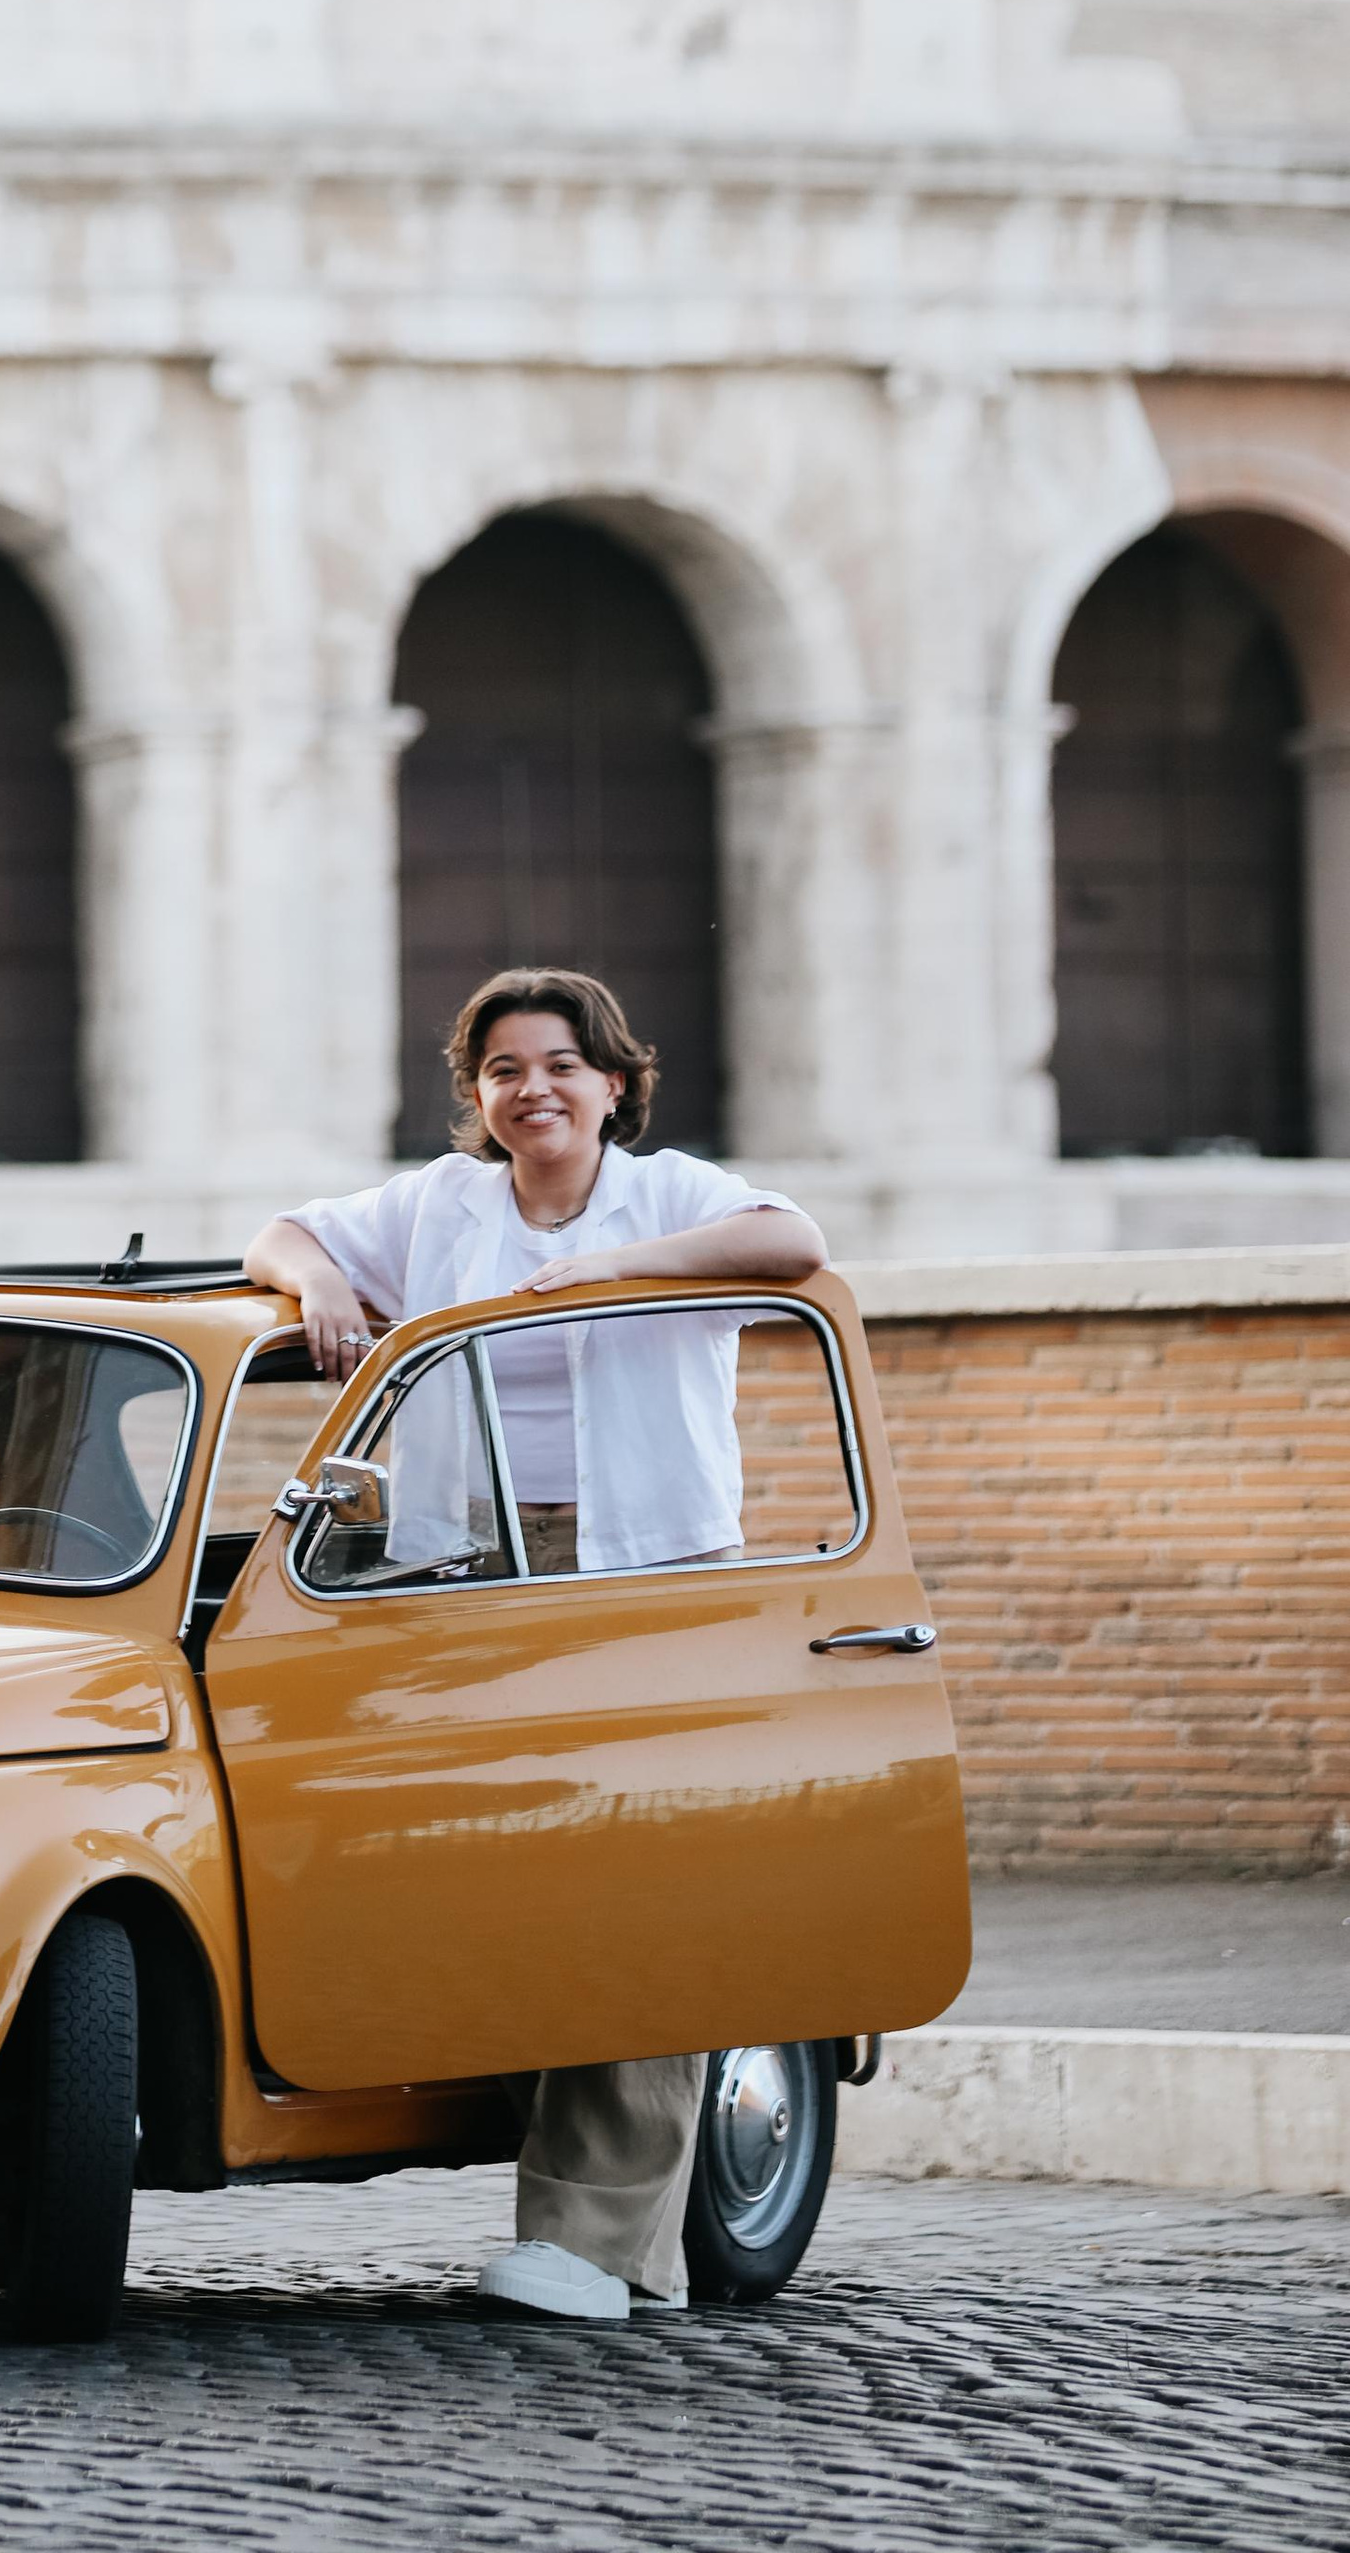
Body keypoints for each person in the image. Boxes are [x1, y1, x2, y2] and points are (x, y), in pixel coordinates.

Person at [241, 962, 827, 2325]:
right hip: (468, 1569)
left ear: (611, 1084)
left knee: (637, 1886)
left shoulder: (670, 1191)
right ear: (478, 1097)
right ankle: (619, 2222)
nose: (533, 1090)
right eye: (503, 1070)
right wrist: (325, 1282)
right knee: (500, 1877)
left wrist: (621, 1261)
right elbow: (278, 1232)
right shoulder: (444, 1206)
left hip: (645, 1572)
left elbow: (792, 1245)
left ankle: (602, 2246)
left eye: (560, 1065)